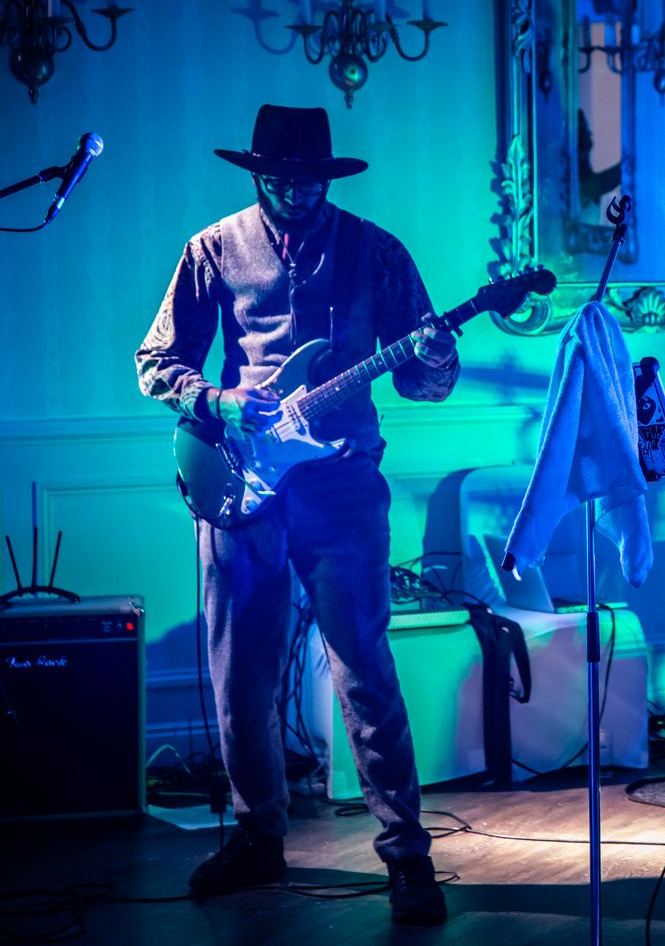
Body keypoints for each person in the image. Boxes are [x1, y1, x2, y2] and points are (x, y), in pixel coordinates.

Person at [135, 104, 459, 925]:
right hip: (241, 483)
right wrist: (218, 400)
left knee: (365, 667)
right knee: (239, 671)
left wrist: (437, 356)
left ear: (327, 175)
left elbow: (423, 381)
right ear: (256, 174)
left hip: (342, 485)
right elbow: (155, 361)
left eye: (307, 178)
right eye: (279, 178)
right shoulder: (212, 248)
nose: (294, 190)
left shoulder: (377, 252)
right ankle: (257, 836)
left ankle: (407, 852)